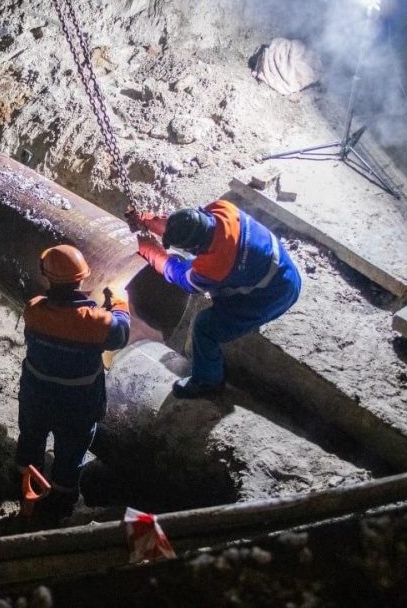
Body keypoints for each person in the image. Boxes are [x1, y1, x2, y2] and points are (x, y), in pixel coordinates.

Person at [129, 201, 301, 399]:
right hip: (279, 269)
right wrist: (148, 221)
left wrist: (152, 252)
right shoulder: (221, 209)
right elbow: (188, 222)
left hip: (272, 295)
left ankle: (208, 382)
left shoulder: (218, 264)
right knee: (199, 268)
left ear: (195, 245)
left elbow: (184, 280)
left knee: (205, 327)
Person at [16, 244, 131, 519]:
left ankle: (22, 482)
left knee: (31, 439)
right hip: (77, 406)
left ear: (47, 277)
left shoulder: (34, 310)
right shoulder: (95, 322)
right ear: (81, 278)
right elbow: (121, 334)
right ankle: (60, 503)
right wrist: (119, 304)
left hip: (36, 397)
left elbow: (63, 322)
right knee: (70, 454)